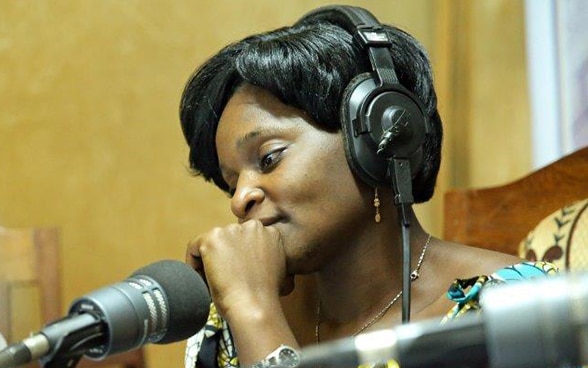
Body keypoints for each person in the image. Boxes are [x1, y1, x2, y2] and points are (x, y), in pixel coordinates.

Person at [178, 5, 557, 368]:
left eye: (269, 159)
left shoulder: (515, 309)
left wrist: (256, 312)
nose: (241, 199)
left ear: (378, 141)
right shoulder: (231, 319)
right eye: (231, 184)